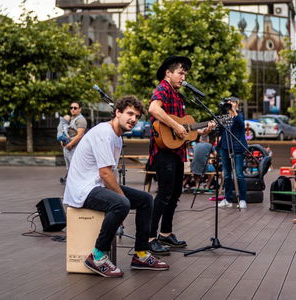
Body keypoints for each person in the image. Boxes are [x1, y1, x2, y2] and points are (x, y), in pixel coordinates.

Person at [63, 95, 169, 278]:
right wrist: (121, 199)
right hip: (83, 189)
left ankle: (141, 254)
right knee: (121, 203)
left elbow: (106, 176)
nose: (133, 119)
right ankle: (97, 256)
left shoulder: (117, 137)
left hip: (97, 185)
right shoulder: (105, 133)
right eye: (129, 114)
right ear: (117, 113)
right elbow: (106, 174)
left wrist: (119, 196)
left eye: (137, 116)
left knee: (145, 199)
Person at [148, 55, 214, 255]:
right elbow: (153, 109)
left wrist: (201, 131)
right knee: (163, 193)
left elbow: (185, 131)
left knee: (175, 193)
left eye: (185, 74)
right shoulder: (163, 88)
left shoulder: (179, 96)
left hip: (177, 151)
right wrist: (176, 125)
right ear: (168, 73)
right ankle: (150, 237)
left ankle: (166, 234)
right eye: (180, 73)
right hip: (163, 152)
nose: (183, 77)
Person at [218, 97, 248, 209]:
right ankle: (228, 199)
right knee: (227, 175)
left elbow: (241, 124)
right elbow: (220, 131)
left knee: (239, 174)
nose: (230, 104)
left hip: (237, 148)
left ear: (237, 104)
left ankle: (243, 200)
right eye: (229, 103)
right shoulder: (225, 117)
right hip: (225, 147)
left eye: (233, 102)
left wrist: (234, 111)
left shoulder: (240, 115)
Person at [61, 102, 87, 184]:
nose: (72, 109)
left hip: (74, 148)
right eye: (71, 107)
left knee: (75, 166)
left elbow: (80, 135)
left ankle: (75, 183)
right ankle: (69, 179)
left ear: (80, 109)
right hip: (68, 147)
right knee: (69, 167)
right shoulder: (71, 118)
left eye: (75, 108)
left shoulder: (81, 120)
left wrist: (70, 144)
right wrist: (62, 140)